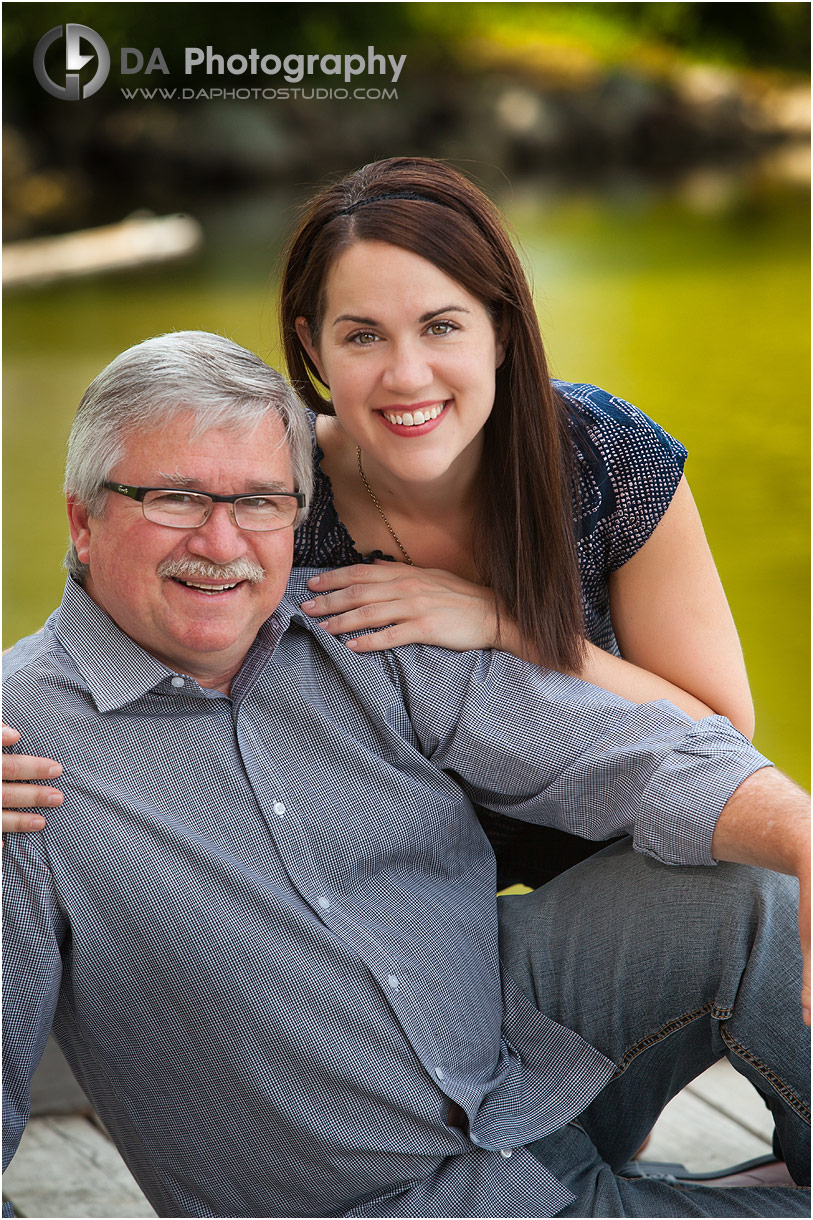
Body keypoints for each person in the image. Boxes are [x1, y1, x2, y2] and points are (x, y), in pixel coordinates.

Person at [3, 332, 810, 1219]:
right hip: (402, 1202)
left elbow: (633, 754)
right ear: (85, 519)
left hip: (522, 1077)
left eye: (262, 500)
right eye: (177, 497)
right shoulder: (20, 762)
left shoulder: (351, 623)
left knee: (758, 875)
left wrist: (800, 832)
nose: (222, 539)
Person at [3, 157, 755, 891]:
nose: (406, 375)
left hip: (635, 860)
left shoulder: (600, 456)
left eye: (441, 327)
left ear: (500, 330)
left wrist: (505, 624)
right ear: (312, 347)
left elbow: (723, 736)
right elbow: (110, 622)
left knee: (753, 893)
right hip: (402, 913)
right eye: (363, 336)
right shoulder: (268, 492)